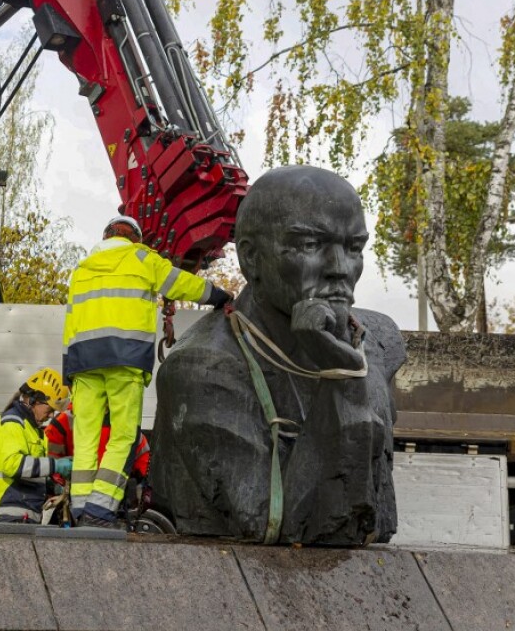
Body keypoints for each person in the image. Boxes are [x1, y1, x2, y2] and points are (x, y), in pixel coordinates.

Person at [149, 165, 406, 546]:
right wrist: (341, 377)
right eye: (310, 245)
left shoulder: (379, 340)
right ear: (250, 258)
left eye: (354, 248)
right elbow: (280, 529)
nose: (340, 269)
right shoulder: (203, 371)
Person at [62, 215, 230, 528]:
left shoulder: (82, 269)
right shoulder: (141, 258)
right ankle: (98, 513)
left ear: (107, 235)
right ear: (135, 237)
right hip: (124, 360)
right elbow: (181, 283)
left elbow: (70, 320)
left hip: (84, 363)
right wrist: (219, 296)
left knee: (84, 438)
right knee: (123, 437)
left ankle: (80, 509)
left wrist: (67, 370)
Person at [0, 367, 73, 523]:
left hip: (21, 514)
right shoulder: (11, 423)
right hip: (9, 514)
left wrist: (51, 485)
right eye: (50, 409)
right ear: (35, 400)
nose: (51, 415)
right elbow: (13, 465)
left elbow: (32, 472)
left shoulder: (32, 430)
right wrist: (55, 465)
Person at [45, 405, 150, 481]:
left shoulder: (122, 422)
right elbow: (52, 462)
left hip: (110, 496)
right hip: (77, 495)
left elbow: (142, 455)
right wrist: (58, 484)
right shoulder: (64, 421)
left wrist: (141, 483)